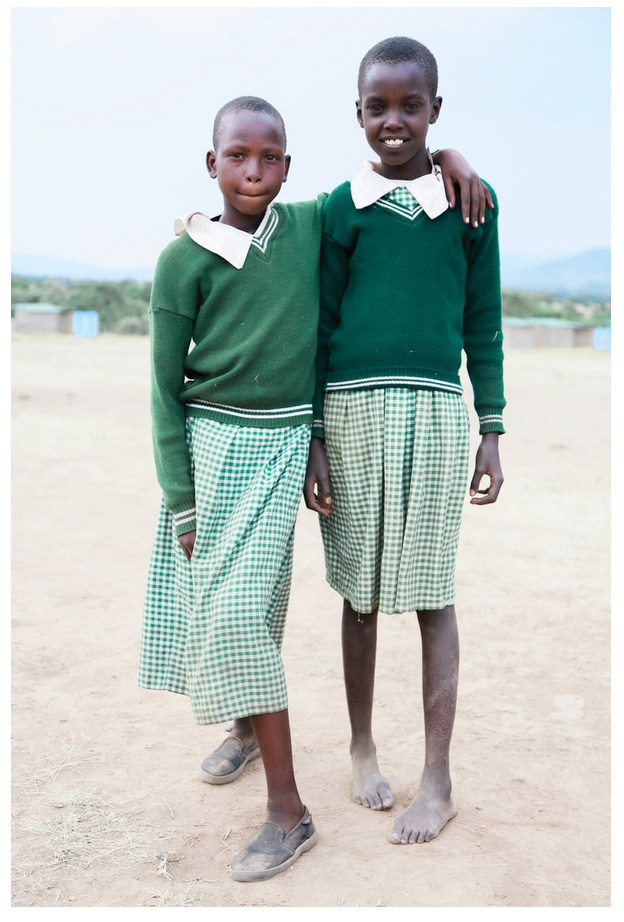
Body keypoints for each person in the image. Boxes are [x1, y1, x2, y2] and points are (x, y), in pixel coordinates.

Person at [138, 93, 491, 880]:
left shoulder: (306, 226)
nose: (254, 172)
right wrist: (181, 496)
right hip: (210, 450)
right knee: (225, 607)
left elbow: (393, 174)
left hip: (286, 443)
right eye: (237, 157)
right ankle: (243, 726)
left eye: (269, 159)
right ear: (212, 162)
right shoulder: (182, 259)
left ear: (288, 167)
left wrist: (450, 158)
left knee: (243, 612)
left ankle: (288, 813)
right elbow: (163, 390)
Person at [303, 36, 505, 848]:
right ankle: (360, 746)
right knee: (358, 595)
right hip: (349, 415)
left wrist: (490, 426)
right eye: (378, 107)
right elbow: (316, 328)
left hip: (432, 414)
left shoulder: (472, 202)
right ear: (357, 114)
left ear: (435, 111)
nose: (394, 121)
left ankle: (438, 778)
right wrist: (313, 432)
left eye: (410, 106)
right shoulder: (335, 209)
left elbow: (482, 322)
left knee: (432, 592)